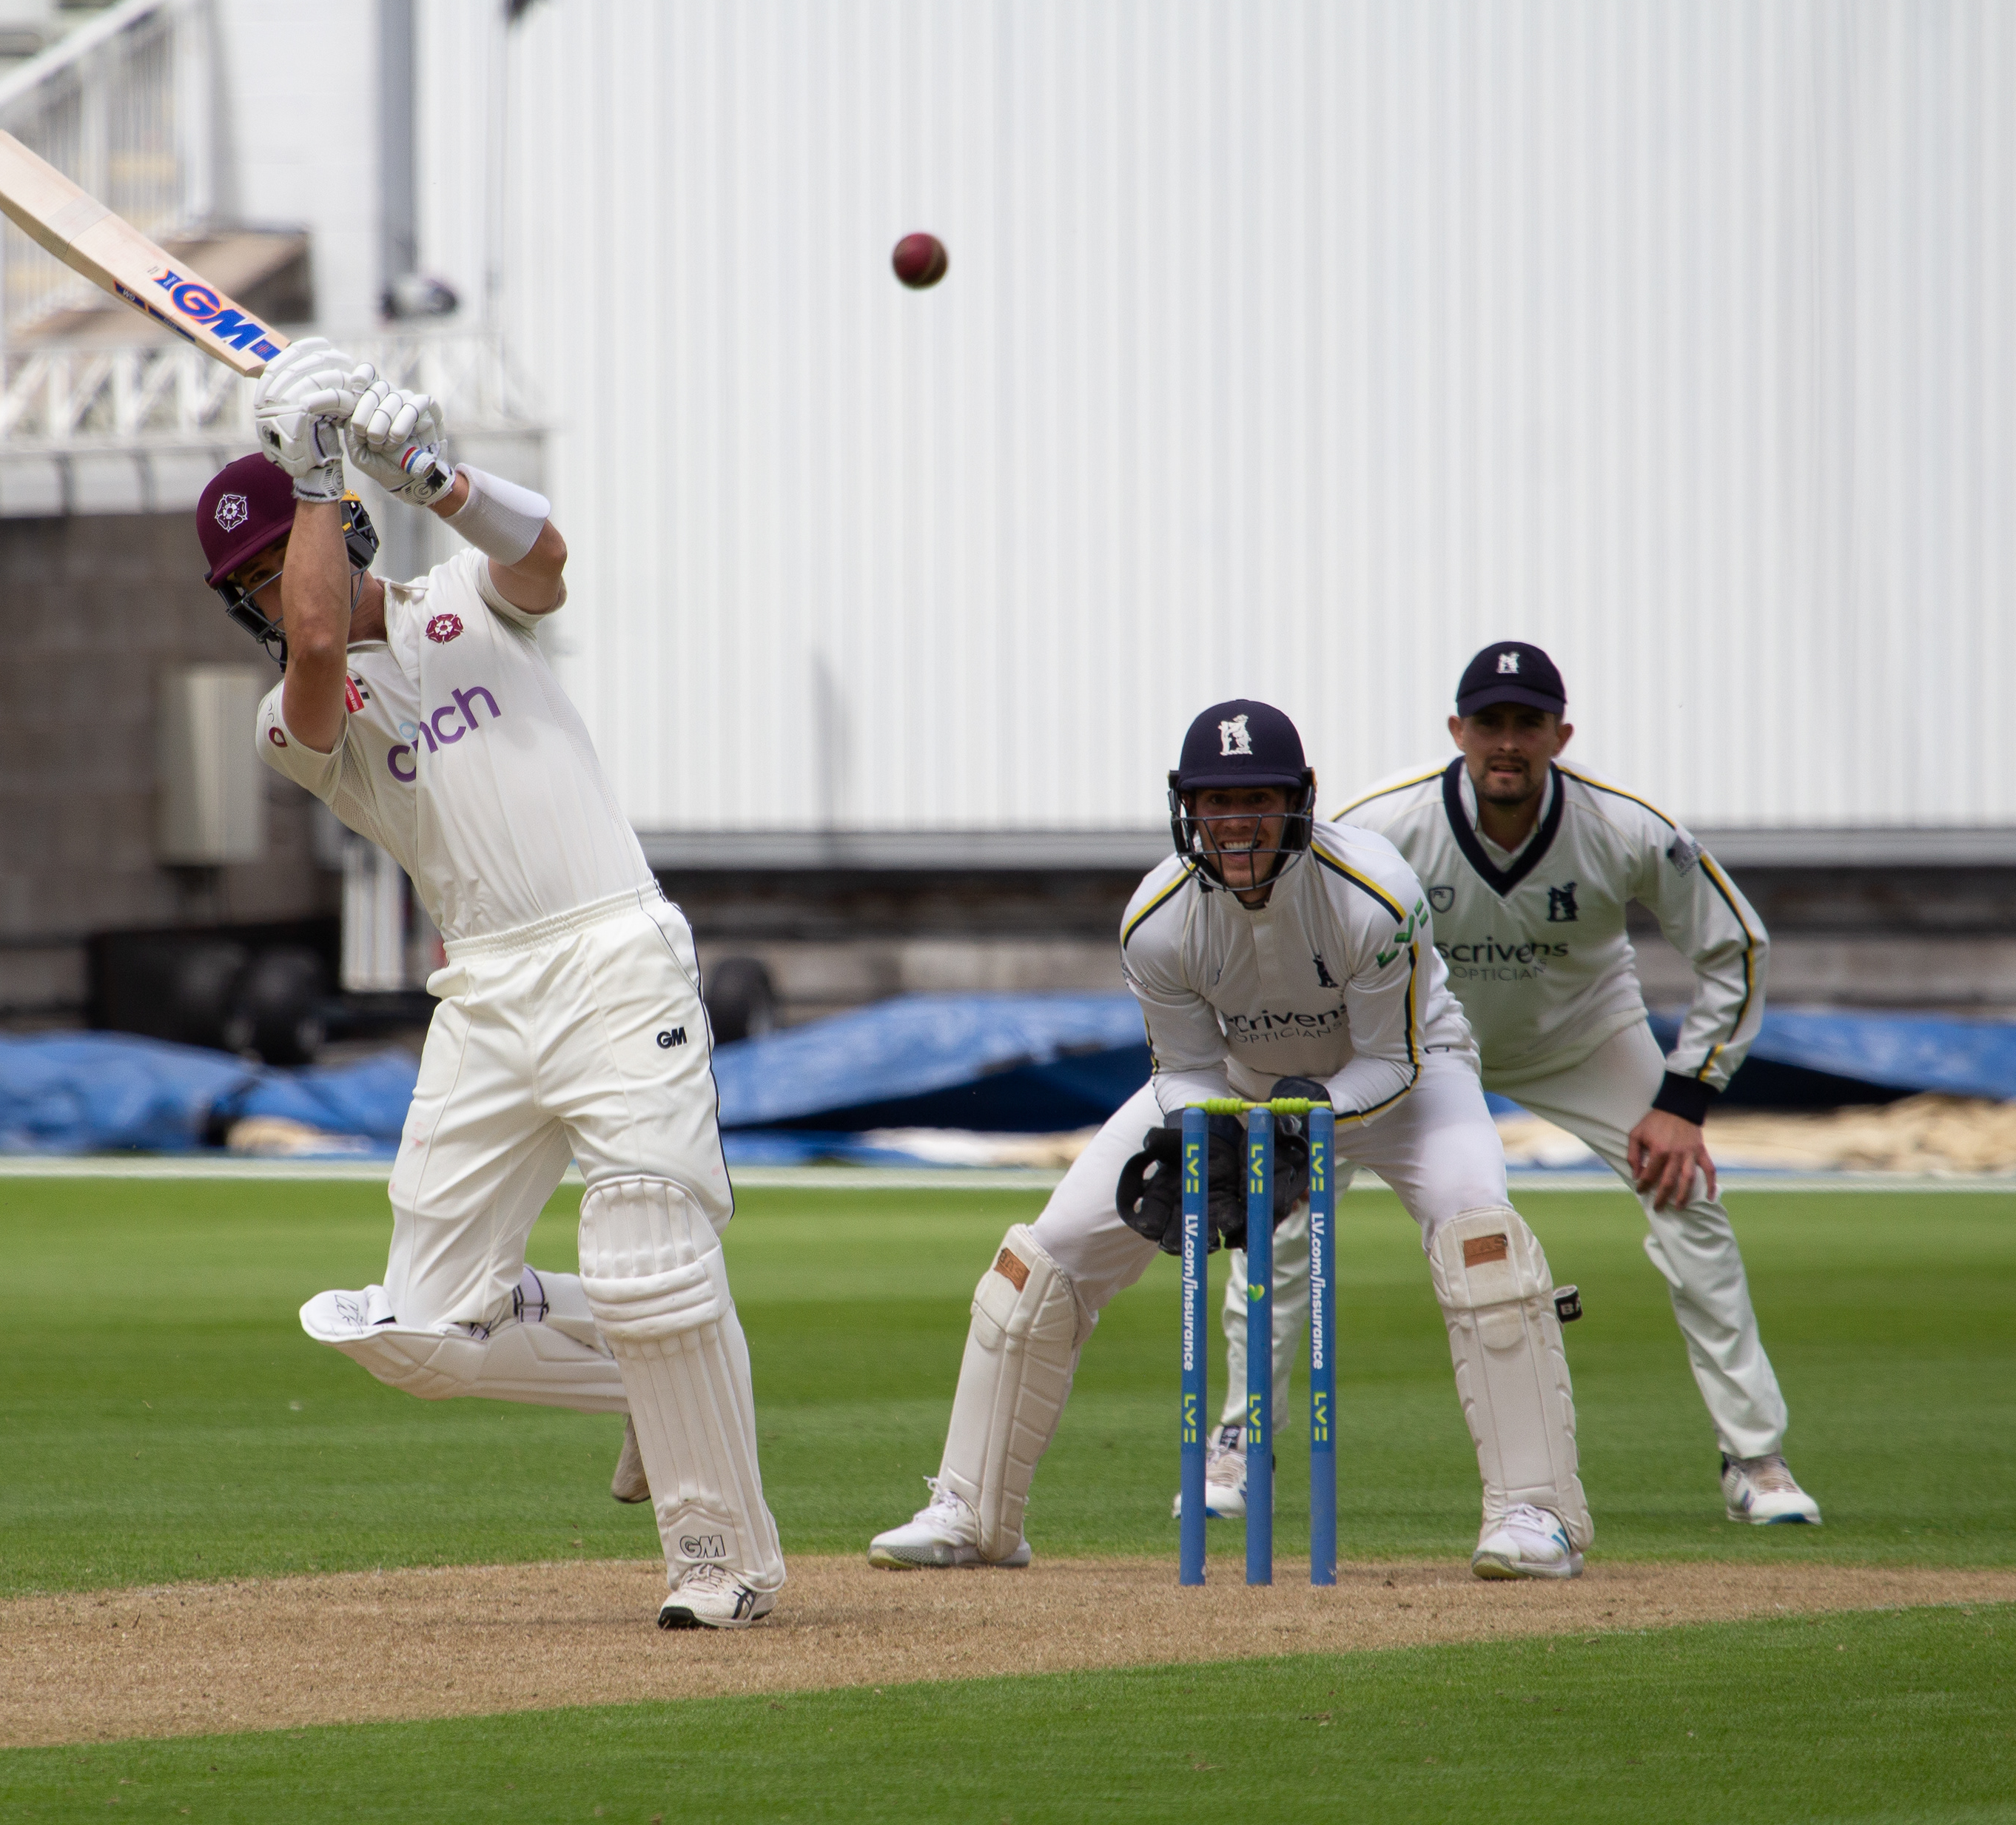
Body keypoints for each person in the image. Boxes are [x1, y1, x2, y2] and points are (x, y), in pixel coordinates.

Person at [197, 340, 785, 1627]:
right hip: (487, 1002)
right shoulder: (298, 718)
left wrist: (439, 476)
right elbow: (309, 636)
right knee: (411, 1333)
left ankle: (716, 1557)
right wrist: (313, 466)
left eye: (274, 555)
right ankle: (657, 1374)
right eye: (240, 581)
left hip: (614, 954)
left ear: (356, 531)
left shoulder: (468, 595)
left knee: (649, 1258)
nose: (268, 589)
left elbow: (549, 560)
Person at [869, 700, 1594, 1581]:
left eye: (1256, 798)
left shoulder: (1374, 895)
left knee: (1484, 1243)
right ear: (1187, 809)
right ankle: (973, 1512)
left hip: (1406, 1081)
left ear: (1302, 800)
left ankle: (1535, 1513)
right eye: (1215, 803)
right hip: (1241, 1086)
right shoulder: (1158, 919)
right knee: (1042, 1261)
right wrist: (1202, 1135)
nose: (1235, 822)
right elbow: (1181, 1066)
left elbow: (1390, 1058)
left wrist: (1293, 1122)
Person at [1297, 640, 1815, 1525]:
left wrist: (1685, 1100)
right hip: (1415, 1047)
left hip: (1583, 1037)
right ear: (1456, 731)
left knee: (1689, 1202)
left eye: (1527, 724)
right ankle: (1236, 1439)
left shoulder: (1627, 826)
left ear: (1560, 733)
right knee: (1285, 1203)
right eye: (1489, 723)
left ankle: (1755, 1458)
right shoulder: (1383, 822)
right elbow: (1302, 924)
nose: (1508, 742)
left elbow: (1736, 946)